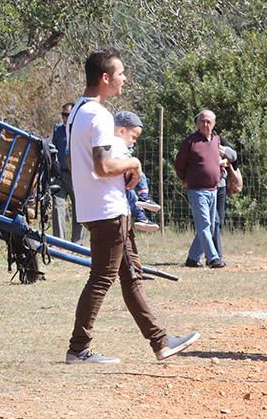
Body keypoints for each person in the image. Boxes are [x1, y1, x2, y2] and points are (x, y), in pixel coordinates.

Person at [65, 48, 199, 364]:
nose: (125, 79)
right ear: (105, 78)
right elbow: (101, 166)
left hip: (98, 208)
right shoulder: (98, 115)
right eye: (121, 73)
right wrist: (135, 162)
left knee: (130, 278)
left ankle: (160, 341)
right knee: (102, 279)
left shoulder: (77, 112)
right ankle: (78, 348)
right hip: (109, 210)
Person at [174, 109, 226, 268]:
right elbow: (179, 164)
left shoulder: (217, 140)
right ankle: (213, 259)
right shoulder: (190, 141)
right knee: (204, 224)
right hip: (197, 189)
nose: (205, 124)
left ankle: (192, 258)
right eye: (202, 121)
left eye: (209, 121)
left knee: (209, 227)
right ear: (197, 124)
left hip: (213, 189)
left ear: (214, 124)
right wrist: (184, 179)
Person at [112, 111, 159, 233]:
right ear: (122, 131)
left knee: (131, 195)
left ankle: (141, 217)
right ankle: (143, 196)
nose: (134, 141)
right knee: (140, 174)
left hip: (121, 185)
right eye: (133, 137)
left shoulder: (121, 145)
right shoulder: (116, 144)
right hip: (119, 181)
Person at [50, 102, 83, 243]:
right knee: (58, 205)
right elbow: (54, 150)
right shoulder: (58, 130)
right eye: (63, 114)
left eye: (67, 115)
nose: (65, 117)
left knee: (79, 208)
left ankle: (77, 243)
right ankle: (59, 242)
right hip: (60, 175)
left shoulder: (80, 130)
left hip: (77, 175)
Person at [214, 140, 237, 259]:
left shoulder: (219, 142)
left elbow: (233, 156)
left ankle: (198, 255)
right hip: (207, 188)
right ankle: (216, 256)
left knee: (219, 222)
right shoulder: (197, 143)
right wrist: (219, 162)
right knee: (215, 222)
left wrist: (222, 150)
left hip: (221, 186)